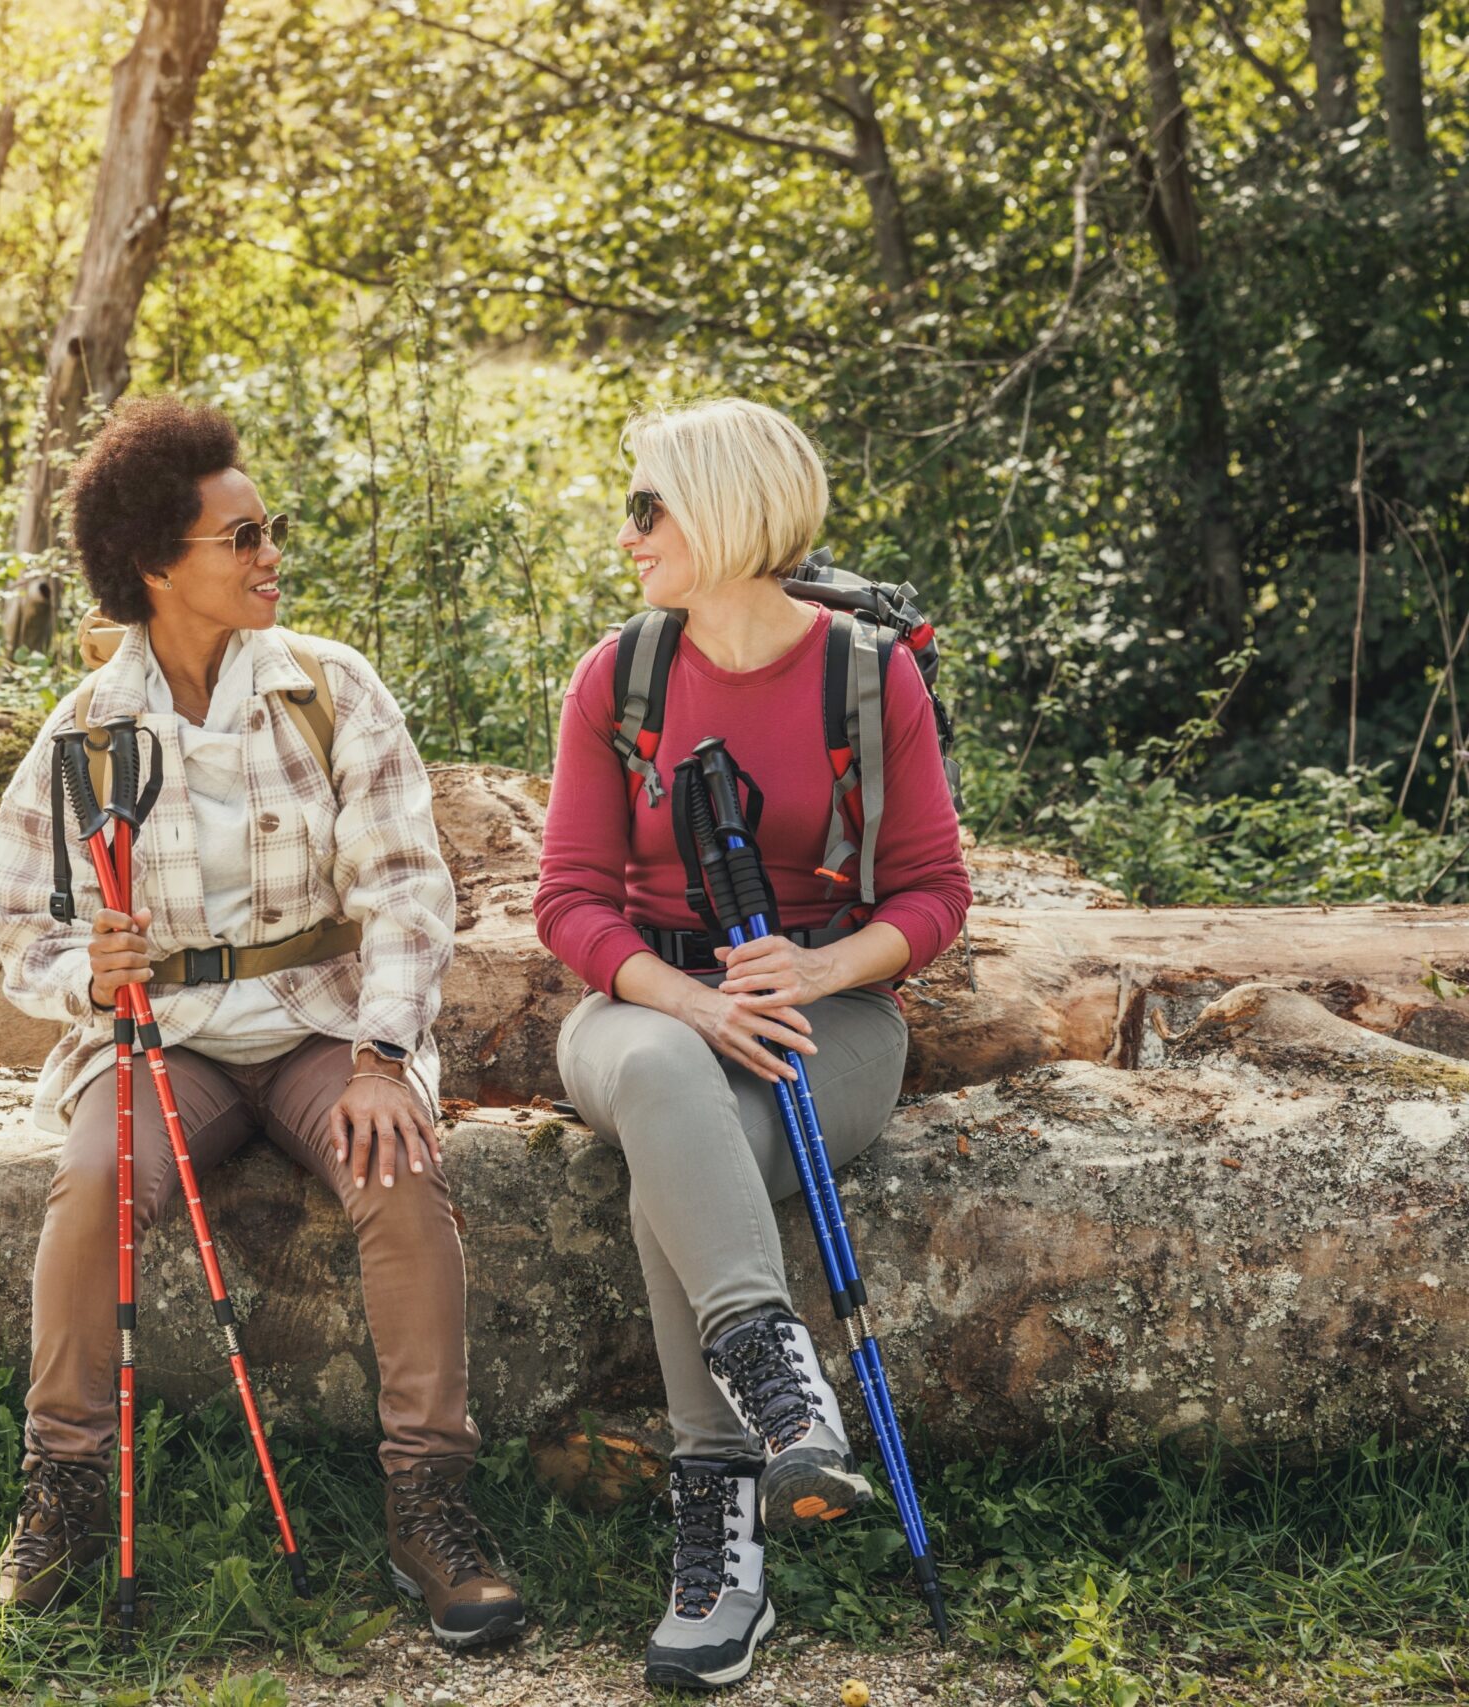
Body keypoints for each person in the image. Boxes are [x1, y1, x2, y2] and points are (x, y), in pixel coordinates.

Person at [0, 397, 524, 1648]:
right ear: (156, 565)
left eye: (269, 530)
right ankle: (62, 1491)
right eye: (243, 538)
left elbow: (406, 891)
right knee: (95, 1179)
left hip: (325, 1023)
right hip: (163, 1038)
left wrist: (383, 1057)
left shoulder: (330, 688)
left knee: (399, 1171)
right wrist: (89, 974)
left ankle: (430, 1502)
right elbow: (20, 932)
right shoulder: (82, 734)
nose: (271, 554)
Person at [534, 399, 969, 1691]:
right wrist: (689, 998)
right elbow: (568, 900)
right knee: (669, 1076)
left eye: (647, 507)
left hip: (829, 1021)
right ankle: (780, 1389)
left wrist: (823, 966)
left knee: (681, 1163)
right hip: (641, 1009)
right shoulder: (620, 676)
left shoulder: (867, 677)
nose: (628, 535)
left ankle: (719, 1529)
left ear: (724, 512)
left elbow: (934, 892)